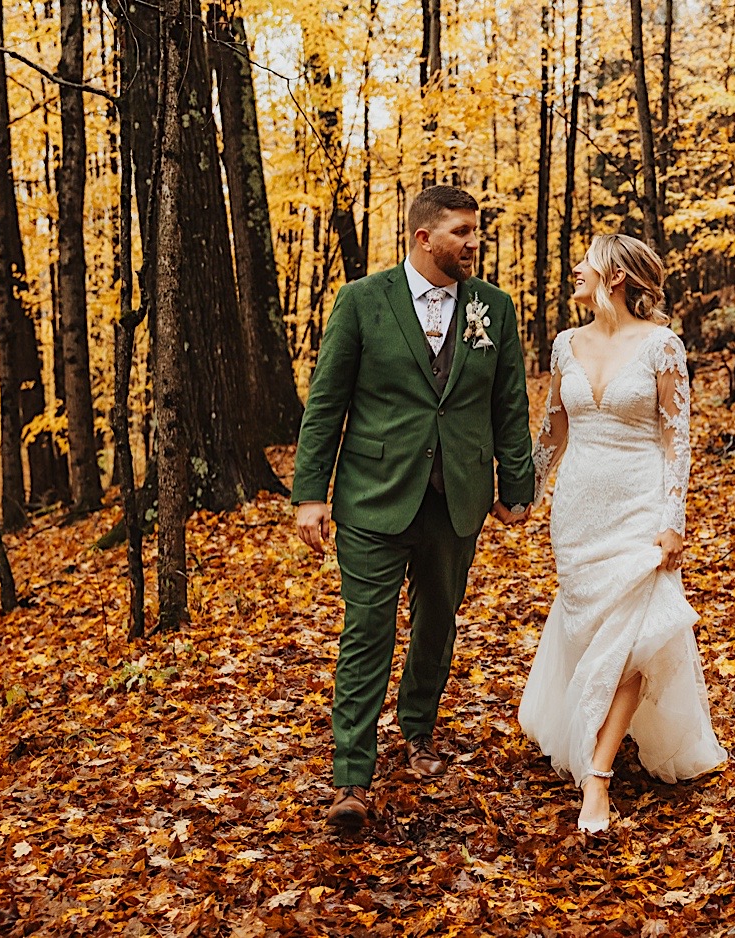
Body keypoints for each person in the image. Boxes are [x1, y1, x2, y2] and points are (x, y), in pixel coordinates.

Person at [292, 185, 534, 829]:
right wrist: (310, 494)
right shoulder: (362, 302)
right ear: (424, 237)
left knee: (437, 623)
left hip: (455, 498)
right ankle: (352, 775)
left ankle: (418, 728)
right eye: (461, 232)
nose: (473, 243)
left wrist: (516, 486)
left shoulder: (495, 309)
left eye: (475, 231)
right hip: (374, 497)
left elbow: (509, 403)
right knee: (366, 630)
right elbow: (326, 405)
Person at [521, 233, 727, 833]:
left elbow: (676, 440)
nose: (576, 270)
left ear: (614, 275)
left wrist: (671, 521)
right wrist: (522, 498)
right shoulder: (564, 345)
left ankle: (598, 779)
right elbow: (552, 435)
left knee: (634, 636)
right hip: (579, 511)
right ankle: (592, 736)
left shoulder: (663, 346)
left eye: (586, 261)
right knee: (593, 633)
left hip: (639, 507)